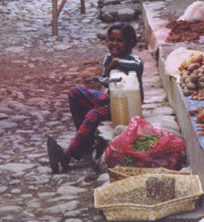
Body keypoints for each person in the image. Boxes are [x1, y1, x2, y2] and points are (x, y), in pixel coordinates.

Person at [47, 23, 144, 173]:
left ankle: (68, 154)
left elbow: (139, 68)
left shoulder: (134, 60)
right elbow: (106, 78)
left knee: (93, 114)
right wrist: (100, 78)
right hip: (110, 98)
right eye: (111, 39)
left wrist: (117, 62)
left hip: (124, 106)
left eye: (119, 40)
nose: (114, 44)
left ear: (130, 43)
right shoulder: (108, 58)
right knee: (74, 92)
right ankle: (84, 142)